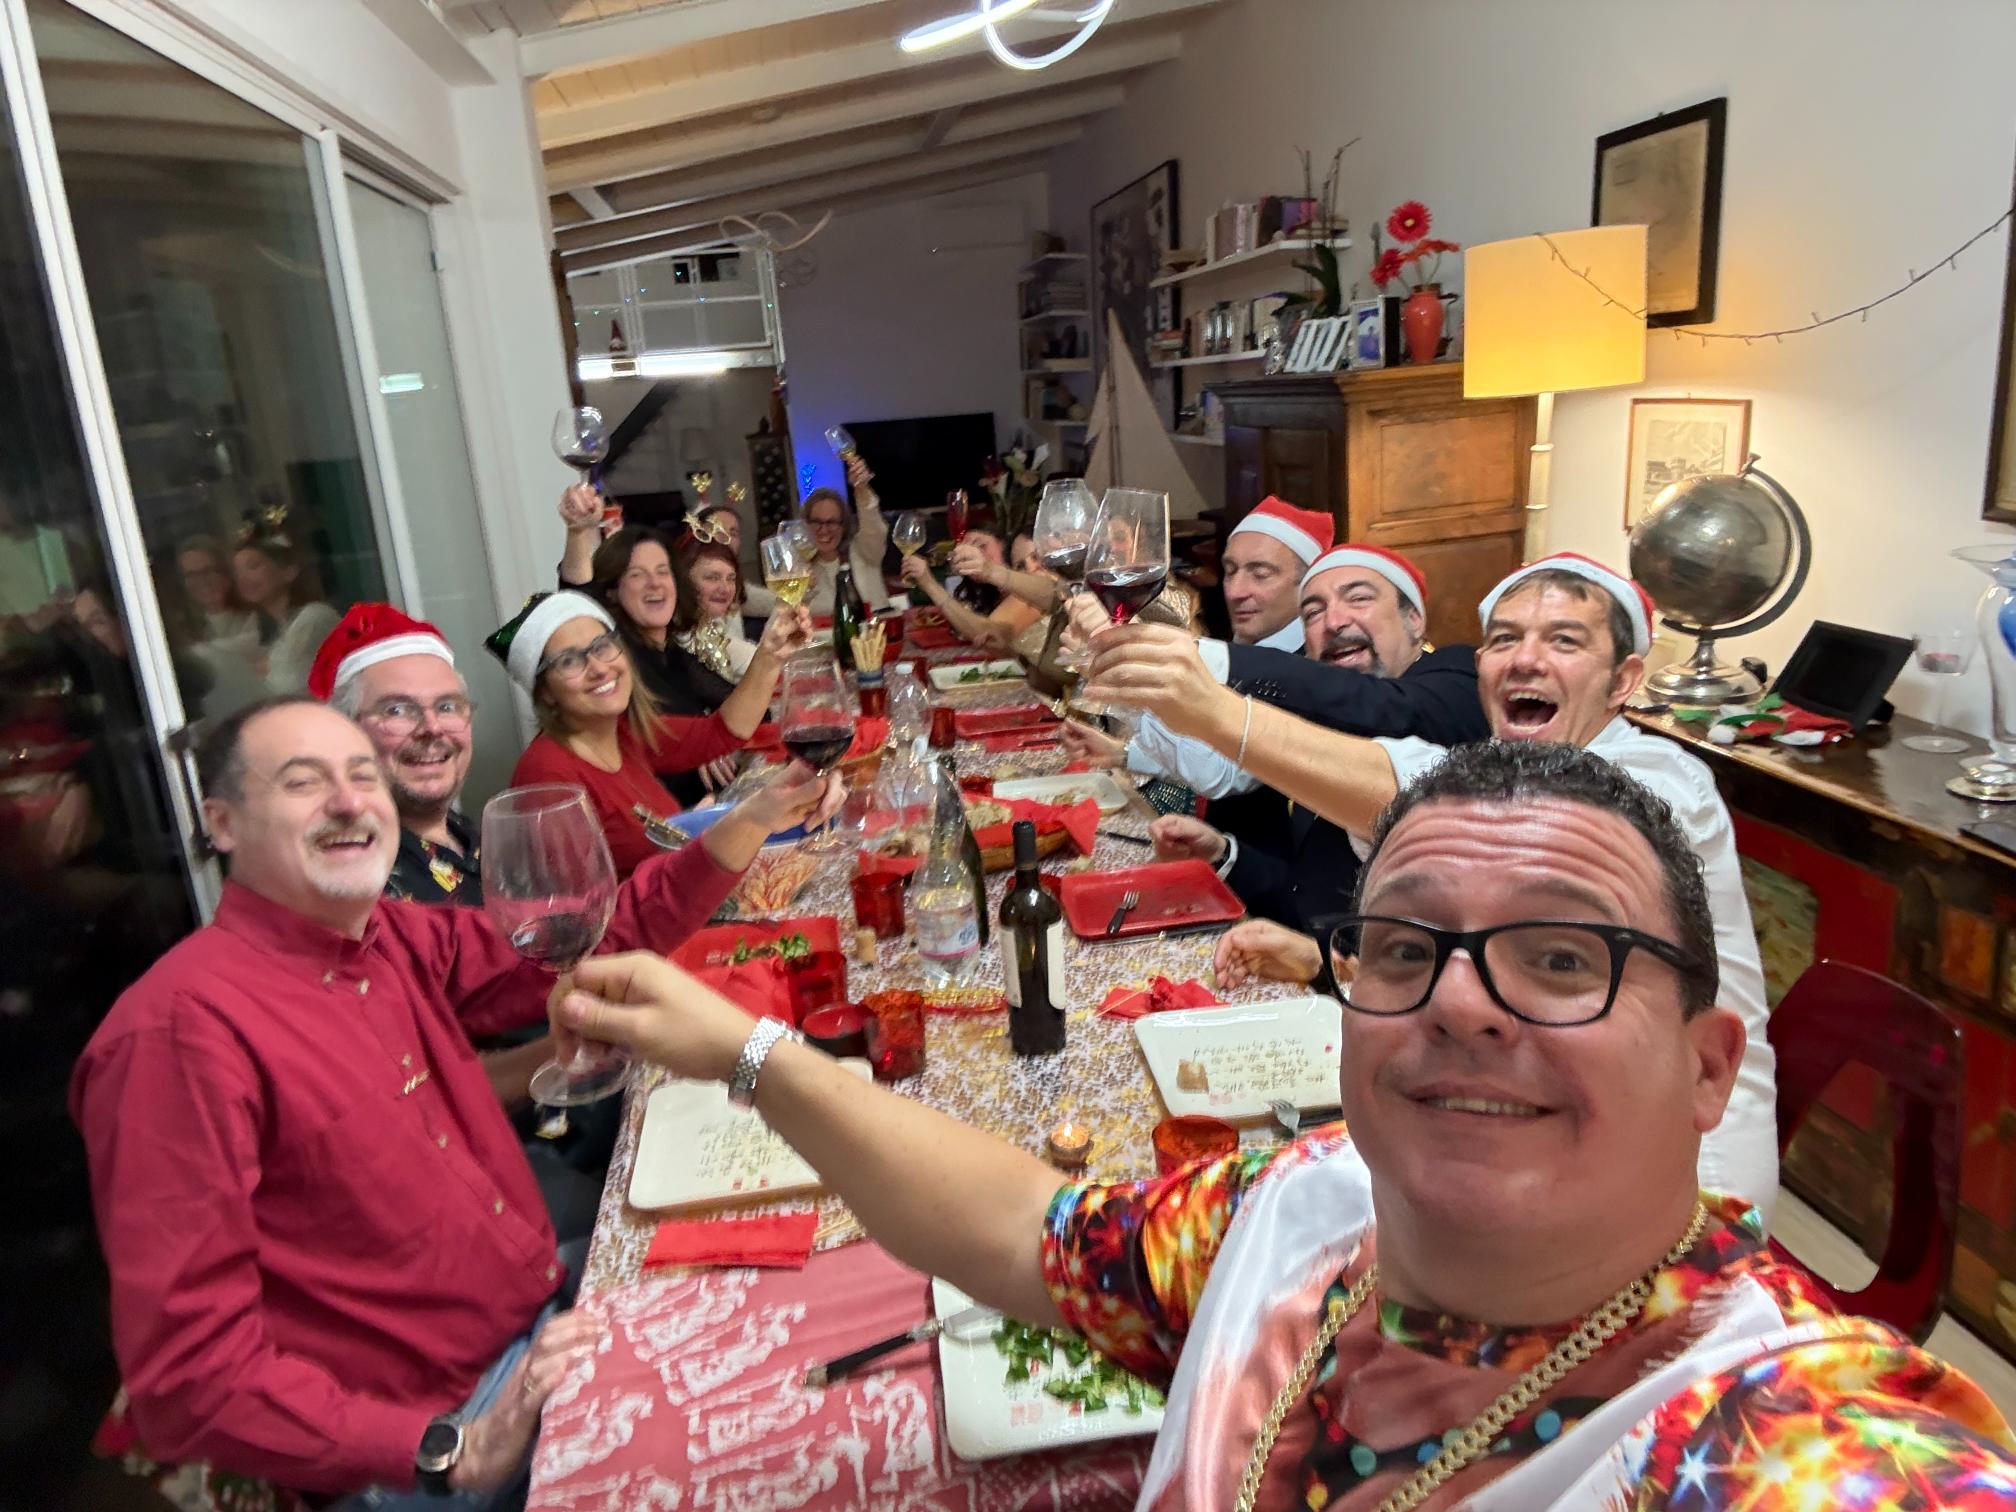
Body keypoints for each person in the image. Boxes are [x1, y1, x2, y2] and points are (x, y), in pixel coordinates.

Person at [546, 741, 2016, 1509]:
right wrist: (748, 1052)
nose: (1463, 1003)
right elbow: (1023, 1229)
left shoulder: (1770, 1437)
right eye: (1405, 948)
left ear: (1707, 1069)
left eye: (1563, 958)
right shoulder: (1306, 1202)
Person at [70, 695, 831, 1505]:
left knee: (800, 1293)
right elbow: (187, 1375)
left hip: (541, 1316)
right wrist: (449, 1451)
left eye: (363, 775)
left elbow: (595, 933)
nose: (348, 801)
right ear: (221, 823)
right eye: (303, 781)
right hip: (446, 1427)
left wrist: (754, 817)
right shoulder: (174, 1036)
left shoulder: (389, 938)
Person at [1090, 552, 1779, 1218]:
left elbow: (1455, 807)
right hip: (1533, 1112)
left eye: (1564, 641)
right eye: (1504, 639)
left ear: (1622, 681)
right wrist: (1324, 962)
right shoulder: (1490, 761)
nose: (1526, 659)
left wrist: (1214, 710)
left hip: (1682, 1166)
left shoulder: (1661, 778)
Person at [1129, 544, 1486, 948]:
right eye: (1313, 613)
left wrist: (1202, 659)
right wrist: (1225, 855)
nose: (1333, 621)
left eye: (1359, 599)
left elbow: (1387, 707)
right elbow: (1307, 894)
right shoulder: (1320, 714)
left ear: (1414, 619)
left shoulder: (1459, 676)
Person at [500, 590, 810, 878]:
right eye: (569, 661)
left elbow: (722, 732)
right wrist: (691, 847)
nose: (599, 668)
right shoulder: (546, 774)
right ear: (546, 693)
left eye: (602, 646)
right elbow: (574, 906)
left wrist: (770, 656)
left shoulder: (623, 732)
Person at [232, 510, 340, 695]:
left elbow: (284, 689)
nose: (243, 578)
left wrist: (259, 670)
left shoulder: (314, 618)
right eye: (237, 572)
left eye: (254, 566)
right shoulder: (266, 627)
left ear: (289, 571)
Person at [898, 528, 1044, 652]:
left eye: (1037, 558)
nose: (1031, 568)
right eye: (1021, 565)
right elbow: (997, 642)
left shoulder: (1036, 595)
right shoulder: (987, 590)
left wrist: (928, 583)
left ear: (1002, 545)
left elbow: (985, 632)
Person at [796, 453, 892, 616]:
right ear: (806, 525)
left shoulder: (864, 551)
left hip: (876, 630)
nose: (824, 530)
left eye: (832, 522)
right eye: (816, 522)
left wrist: (862, 489)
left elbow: (874, 526)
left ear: (843, 525)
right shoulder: (799, 567)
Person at [671, 540, 757, 681]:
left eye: (731, 579)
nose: (725, 589)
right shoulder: (681, 638)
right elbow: (756, 661)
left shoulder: (709, 626)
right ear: (684, 581)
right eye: (712, 578)